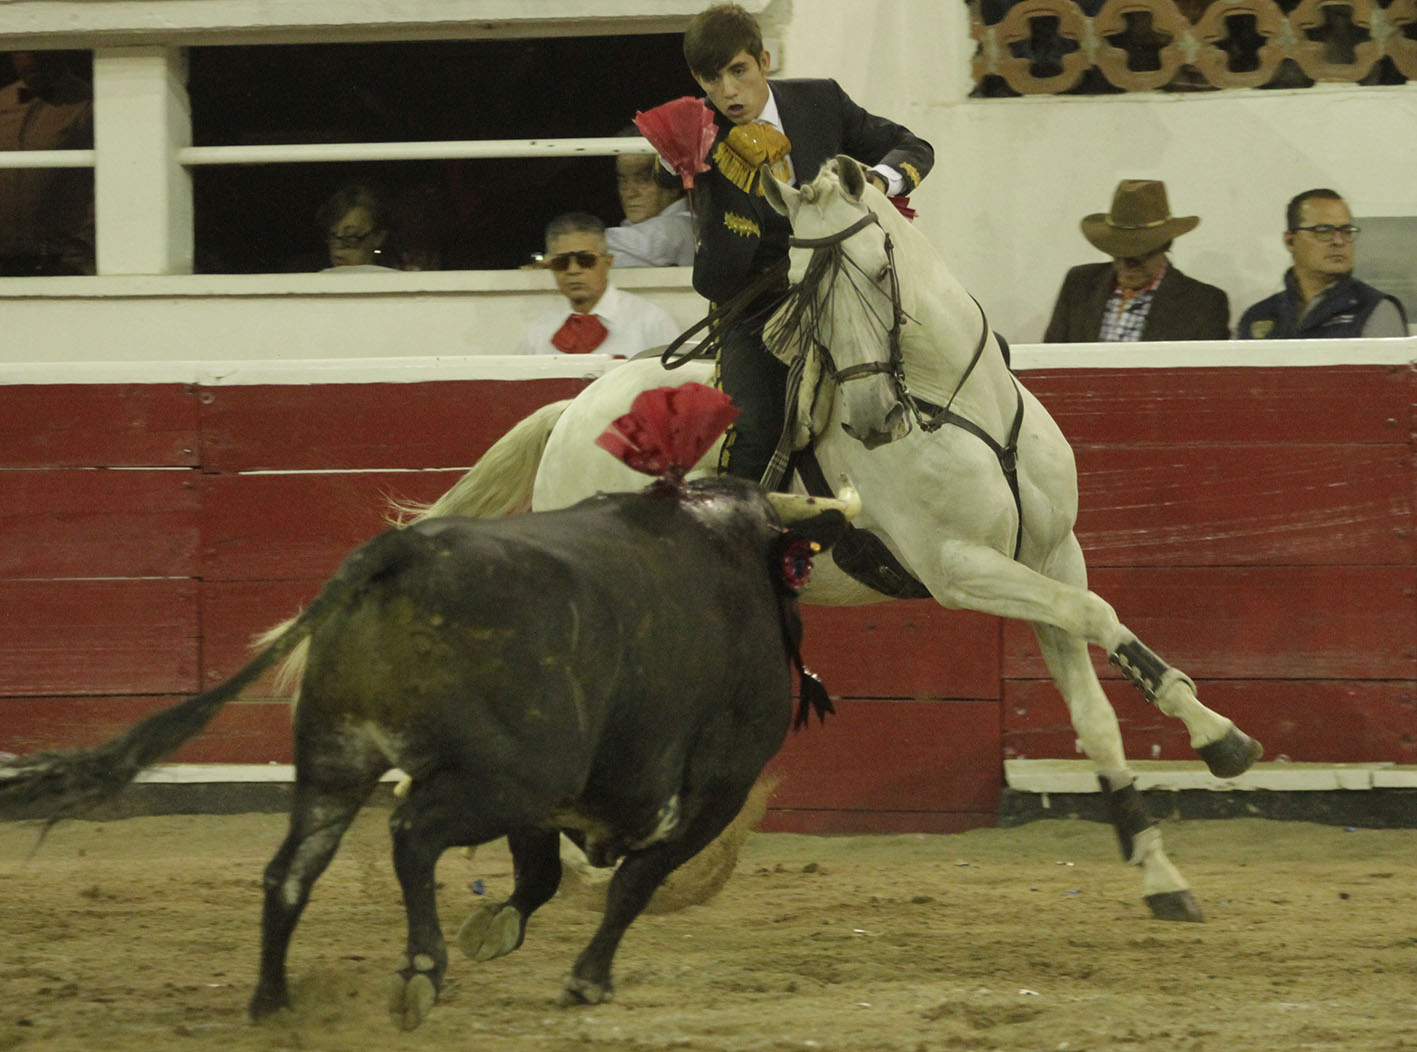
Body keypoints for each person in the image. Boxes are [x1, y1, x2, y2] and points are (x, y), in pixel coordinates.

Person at [650, 3, 934, 484]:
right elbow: (665, 171)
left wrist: (880, 184)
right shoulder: (699, 133)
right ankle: (740, 542)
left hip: (847, 289)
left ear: (763, 60)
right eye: (712, 79)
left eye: (738, 71)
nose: (728, 91)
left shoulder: (819, 100)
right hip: (755, 305)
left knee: (970, 354)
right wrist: (676, 155)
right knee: (757, 427)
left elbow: (914, 148)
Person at [1043, 179, 1229, 343]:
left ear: (1164, 246)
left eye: (1141, 253)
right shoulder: (1080, 285)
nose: (1127, 265)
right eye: (1119, 253)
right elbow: (1050, 360)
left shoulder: (1203, 304)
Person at [1236, 188, 1408, 339]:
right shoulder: (1257, 316)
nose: (1339, 241)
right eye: (1323, 231)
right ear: (1290, 241)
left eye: (1347, 231)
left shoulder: (1376, 310)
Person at [518, 211, 680, 358]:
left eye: (585, 260)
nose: (573, 270)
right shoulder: (539, 331)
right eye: (562, 262)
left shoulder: (650, 322)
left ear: (607, 262)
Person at [0, 51, 94, 275]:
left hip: (66, 262)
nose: (31, 59)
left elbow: (112, 181)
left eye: (38, 50)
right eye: (23, 52)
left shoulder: (88, 103)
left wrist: (81, 249)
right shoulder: (3, 102)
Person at [604, 130, 695, 268]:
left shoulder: (681, 227)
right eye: (623, 180)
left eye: (643, 179)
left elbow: (592, 248)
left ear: (673, 185)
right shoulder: (629, 233)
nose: (630, 192)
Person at [317, 182, 395, 271]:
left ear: (378, 238)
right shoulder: (316, 280)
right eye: (332, 235)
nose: (338, 246)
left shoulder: (396, 281)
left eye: (351, 236)